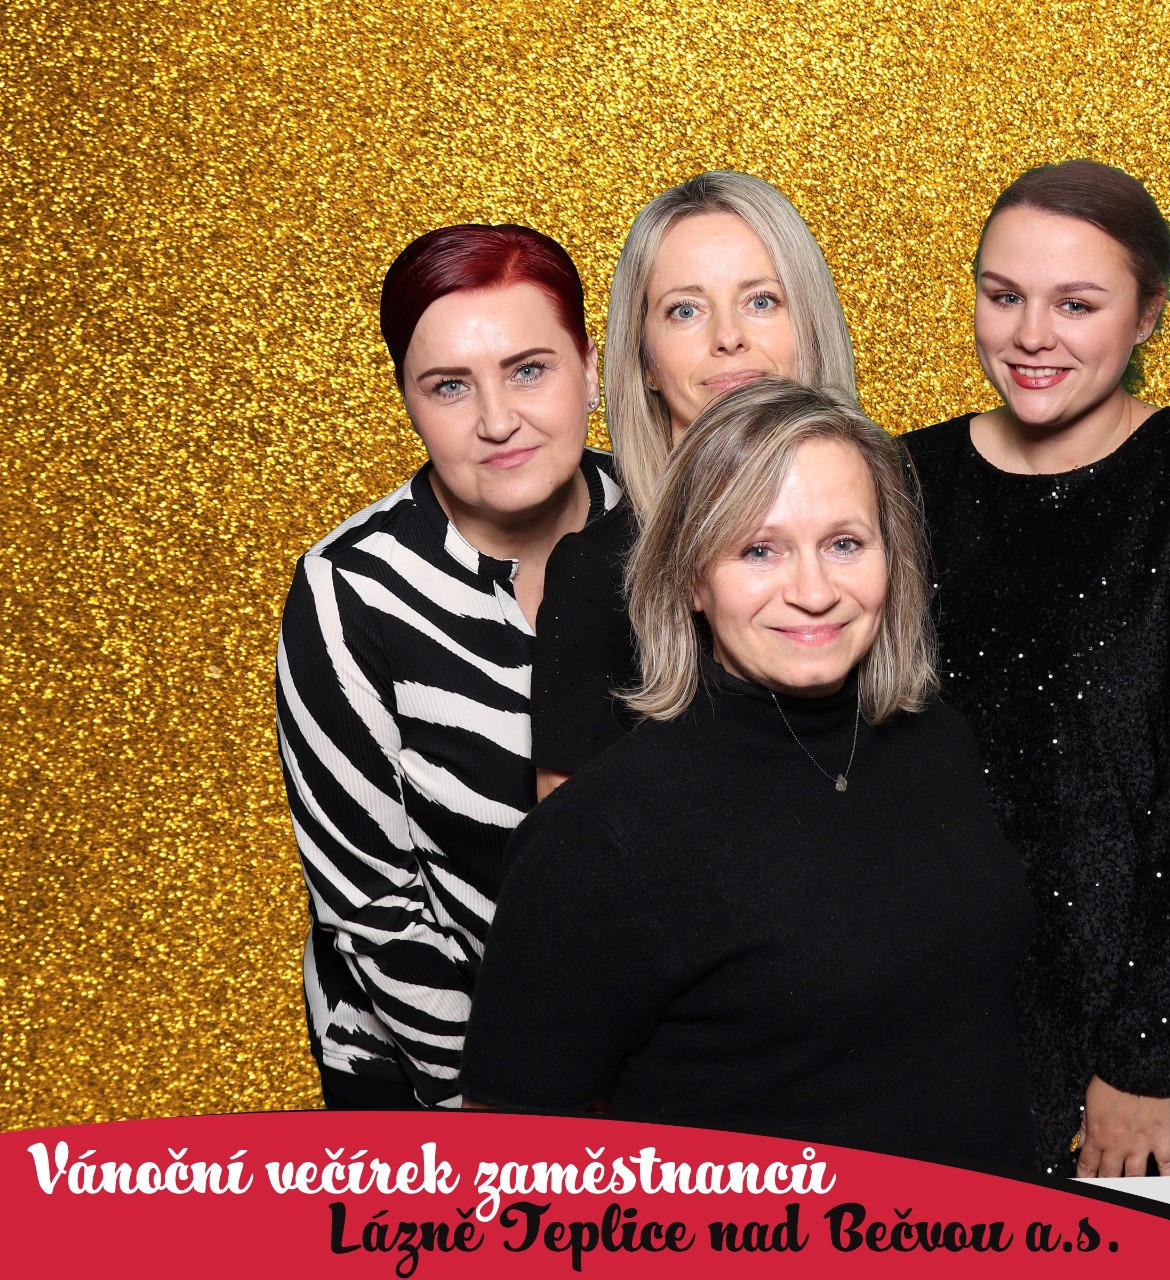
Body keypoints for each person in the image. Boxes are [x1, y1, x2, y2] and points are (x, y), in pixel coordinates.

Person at [461, 379, 1034, 1166]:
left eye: (844, 543)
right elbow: (510, 1152)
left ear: (891, 558)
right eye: (759, 550)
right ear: (692, 578)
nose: (814, 592)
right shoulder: (602, 834)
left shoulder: (938, 739)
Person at [904, 160, 1170, 1176]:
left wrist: (1150, 1055)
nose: (1031, 335)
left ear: (1148, 316)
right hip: (937, 1012)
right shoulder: (901, 479)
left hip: (1142, 1039)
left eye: (1076, 304)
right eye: (1003, 296)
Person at [275, 225, 618, 1108]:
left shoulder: (672, 527)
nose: (497, 420)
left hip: (647, 1061)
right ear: (407, 401)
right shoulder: (349, 589)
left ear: (591, 366)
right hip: (426, 1073)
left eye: (529, 369)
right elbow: (371, 908)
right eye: (450, 386)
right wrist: (499, 1116)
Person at [532, 172, 858, 798]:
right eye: (685, 310)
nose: (729, 337)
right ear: (645, 361)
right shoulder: (597, 574)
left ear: (810, 326)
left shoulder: (896, 516)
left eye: (762, 301)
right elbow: (567, 846)